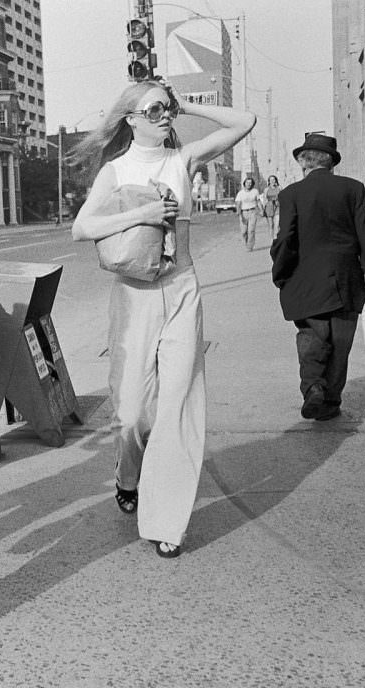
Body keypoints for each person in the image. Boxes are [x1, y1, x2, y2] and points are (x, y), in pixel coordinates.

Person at [70, 80, 255, 559]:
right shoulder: (115, 170)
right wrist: (145, 213)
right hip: (133, 296)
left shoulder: (183, 160)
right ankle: (128, 474)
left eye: (166, 109)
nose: (164, 116)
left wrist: (186, 102)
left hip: (182, 288)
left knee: (177, 405)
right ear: (130, 119)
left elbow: (244, 122)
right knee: (131, 412)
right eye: (153, 110)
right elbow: (81, 228)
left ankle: (167, 521)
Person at [271, 133, 365, 422]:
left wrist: (281, 272)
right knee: (340, 341)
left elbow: (286, 238)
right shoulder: (353, 189)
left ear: (303, 162)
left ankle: (313, 386)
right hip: (346, 278)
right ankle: (331, 401)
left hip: (305, 279)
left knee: (311, 335)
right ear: (331, 162)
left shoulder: (291, 194)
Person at [235, 176, 262, 251]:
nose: (249, 184)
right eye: (247, 183)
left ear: (252, 184)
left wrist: (261, 210)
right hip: (243, 212)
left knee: (251, 230)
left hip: (252, 212)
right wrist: (238, 211)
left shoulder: (255, 191)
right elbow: (238, 203)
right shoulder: (241, 193)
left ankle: (250, 246)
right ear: (244, 183)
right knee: (244, 231)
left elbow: (258, 201)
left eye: (250, 183)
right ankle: (246, 242)